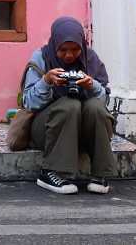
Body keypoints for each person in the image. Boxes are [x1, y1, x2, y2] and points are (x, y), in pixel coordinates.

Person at [22, 16, 116, 195]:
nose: (69, 55)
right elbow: (28, 102)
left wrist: (91, 85)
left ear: (82, 44)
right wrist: (46, 81)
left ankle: (100, 173)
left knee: (95, 108)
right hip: (47, 129)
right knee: (69, 105)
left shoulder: (91, 59)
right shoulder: (41, 57)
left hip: (81, 130)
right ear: (54, 43)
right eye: (63, 50)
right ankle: (50, 172)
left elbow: (104, 102)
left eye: (75, 50)